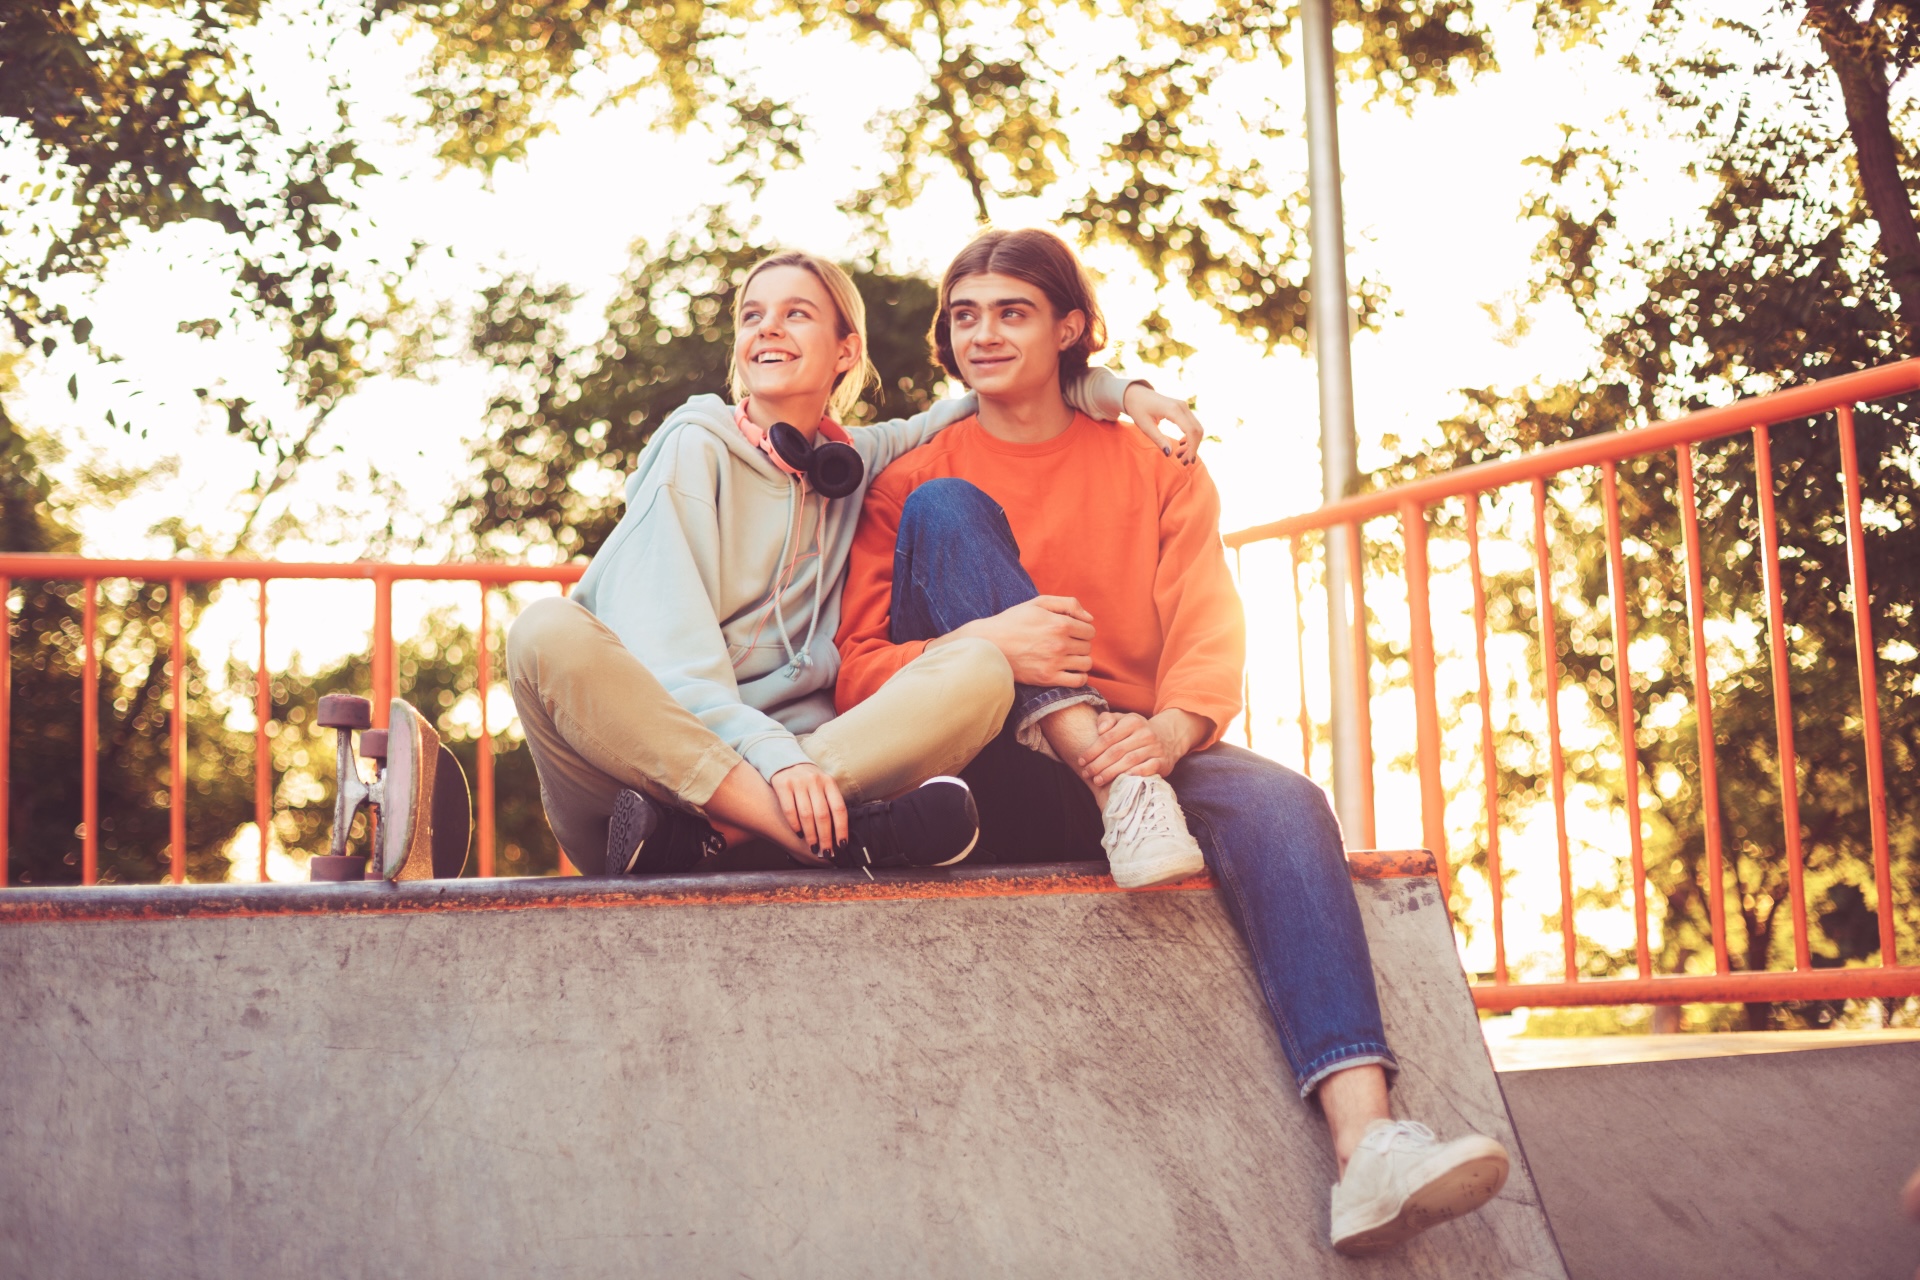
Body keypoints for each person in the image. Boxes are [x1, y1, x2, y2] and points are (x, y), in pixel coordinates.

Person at [834, 227, 1512, 1255]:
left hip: (1151, 752)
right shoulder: (913, 476)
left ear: (1068, 329)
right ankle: (1099, 770)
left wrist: (1163, 729)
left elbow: (1207, 620)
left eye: (1011, 311)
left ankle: (1368, 1146)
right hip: (1001, 762)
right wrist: (984, 640)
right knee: (949, 510)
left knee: (1289, 803)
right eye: (964, 315)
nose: (981, 334)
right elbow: (859, 668)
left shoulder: (1153, 459)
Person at [506, 248, 1202, 877]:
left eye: (795, 313)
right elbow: (674, 668)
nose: (767, 328)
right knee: (545, 630)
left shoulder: (848, 463)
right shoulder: (694, 447)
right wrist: (777, 764)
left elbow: (1000, 395)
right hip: (647, 787)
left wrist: (1128, 393)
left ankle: (734, 837)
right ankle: (822, 834)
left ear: (845, 350)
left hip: (802, 774)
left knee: (984, 666)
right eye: (753, 315)